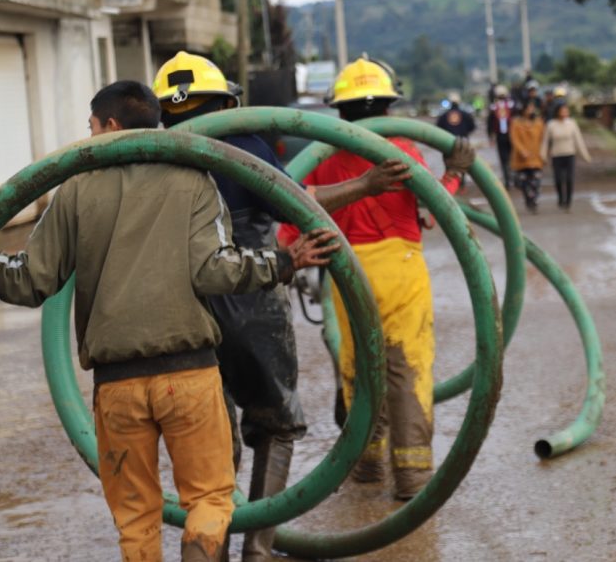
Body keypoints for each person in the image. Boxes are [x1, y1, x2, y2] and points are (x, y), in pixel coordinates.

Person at [0, 80, 340, 562]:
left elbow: (28, 281)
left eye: (90, 127)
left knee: (137, 520)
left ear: (110, 126)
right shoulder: (193, 180)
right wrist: (284, 262)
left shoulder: (76, 189)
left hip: (118, 386)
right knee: (209, 501)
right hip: (190, 377)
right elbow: (216, 269)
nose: (88, 137)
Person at [150, 52, 410, 562]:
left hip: (177, 306)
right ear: (225, 100)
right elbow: (299, 199)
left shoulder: (149, 157)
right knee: (276, 423)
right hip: (250, 295)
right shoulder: (242, 144)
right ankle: (259, 548)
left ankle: (210, 550)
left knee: (209, 435)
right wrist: (367, 184)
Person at [278, 55, 475, 501]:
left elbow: (288, 223)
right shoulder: (401, 151)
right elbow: (439, 208)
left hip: (349, 276)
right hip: (401, 270)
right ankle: (412, 479)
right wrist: (456, 174)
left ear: (340, 111)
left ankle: (366, 467)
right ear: (388, 107)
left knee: (361, 372)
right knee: (407, 369)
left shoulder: (320, 159)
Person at [541, 103, 591, 211]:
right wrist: (543, 155)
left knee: (569, 178)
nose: (564, 113)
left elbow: (578, 140)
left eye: (566, 110)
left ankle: (568, 201)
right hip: (557, 155)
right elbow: (545, 141)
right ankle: (560, 198)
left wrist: (585, 155)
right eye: (562, 111)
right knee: (558, 179)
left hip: (569, 154)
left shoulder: (572, 123)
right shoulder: (551, 125)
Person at [510, 102, 545, 213]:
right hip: (522, 159)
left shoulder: (539, 122)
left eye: (532, 108)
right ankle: (528, 200)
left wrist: (543, 153)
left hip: (536, 157)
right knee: (524, 181)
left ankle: (534, 201)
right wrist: (522, 151)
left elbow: (543, 138)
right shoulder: (516, 123)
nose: (530, 110)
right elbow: (514, 138)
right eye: (528, 108)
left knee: (536, 182)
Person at [487, 84, 516, 189]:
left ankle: (509, 179)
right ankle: (510, 179)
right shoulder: (510, 105)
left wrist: (490, 136)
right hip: (504, 135)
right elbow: (490, 123)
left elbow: (489, 124)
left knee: (506, 159)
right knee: (508, 158)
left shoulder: (495, 107)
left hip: (506, 135)